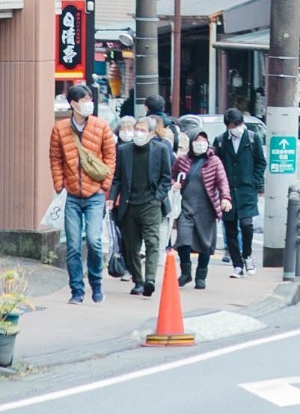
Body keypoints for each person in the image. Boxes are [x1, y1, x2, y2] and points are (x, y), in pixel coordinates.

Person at [48, 82, 116, 305]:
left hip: (95, 194)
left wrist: (104, 185)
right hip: (72, 196)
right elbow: (56, 159)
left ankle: (96, 283)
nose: (89, 104)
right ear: (73, 104)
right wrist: (60, 185)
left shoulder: (102, 127)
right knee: (74, 246)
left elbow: (109, 157)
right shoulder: (60, 129)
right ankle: (76, 290)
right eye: (84, 100)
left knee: (95, 241)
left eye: (90, 100)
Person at [110, 115, 174, 297]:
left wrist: (158, 198)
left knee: (152, 242)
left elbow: (165, 178)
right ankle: (138, 280)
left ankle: (150, 279)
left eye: (142, 130)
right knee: (131, 246)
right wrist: (112, 197)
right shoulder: (123, 150)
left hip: (151, 204)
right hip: (129, 205)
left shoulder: (160, 150)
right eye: (136, 129)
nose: (137, 133)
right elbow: (117, 178)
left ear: (152, 133)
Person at [172, 129, 230, 289]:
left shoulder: (214, 161)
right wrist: (174, 184)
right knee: (183, 240)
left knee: (205, 243)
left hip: (207, 208)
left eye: (204, 140)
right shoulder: (182, 160)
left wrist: (225, 197)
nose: (200, 143)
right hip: (186, 206)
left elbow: (222, 181)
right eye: (197, 140)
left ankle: (201, 276)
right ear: (191, 142)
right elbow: (172, 176)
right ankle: (186, 272)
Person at [215, 110, 266, 277]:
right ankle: (237, 265)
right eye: (232, 126)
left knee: (246, 225)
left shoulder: (252, 139)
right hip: (227, 191)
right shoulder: (221, 141)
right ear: (228, 126)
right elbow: (217, 165)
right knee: (230, 229)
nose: (236, 128)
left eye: (238, 125)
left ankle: (248, 256)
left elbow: (260, 162)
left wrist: (255, 182)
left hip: (246, 190)